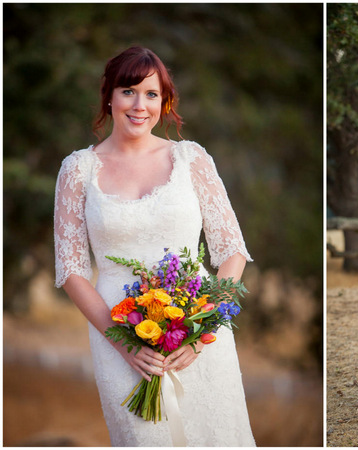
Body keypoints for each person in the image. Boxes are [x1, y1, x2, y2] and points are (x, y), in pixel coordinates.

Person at [54, 46, 256, 446]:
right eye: (128, 91)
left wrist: (203, 330)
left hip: (197, 332)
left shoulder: (190, 158)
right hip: (120, 338)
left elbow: (232, 249)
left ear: (164, 102)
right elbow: (71, 269)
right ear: (108, 95)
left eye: (151, 94)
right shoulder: (78, 169)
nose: (139, 105)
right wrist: (122, 342)